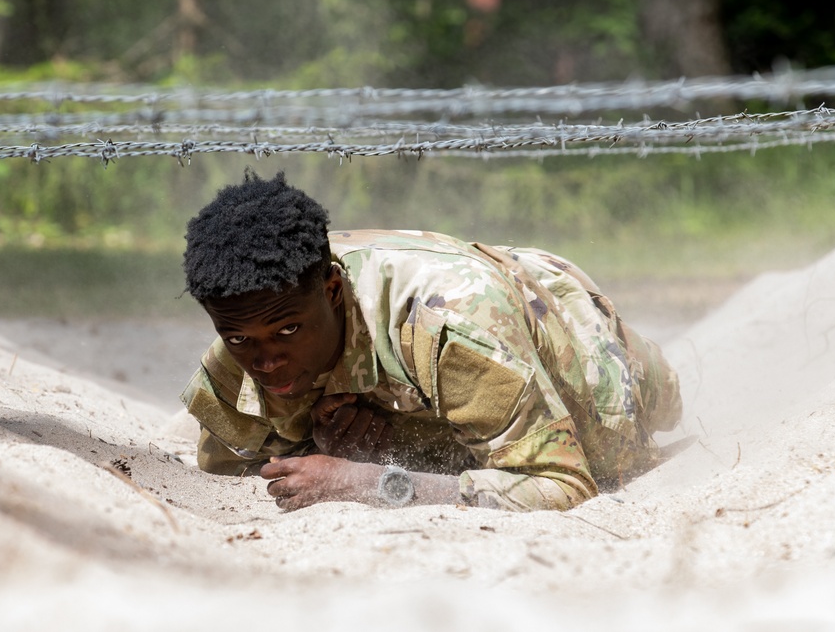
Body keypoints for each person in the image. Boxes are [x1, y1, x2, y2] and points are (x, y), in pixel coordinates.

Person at [180, 170, 682, 512]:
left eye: (288, 331)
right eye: (239, 337)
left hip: (574, 340)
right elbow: (232, 475)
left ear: (332, 291)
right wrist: (322, 443)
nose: (266, 362)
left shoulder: (450, 330)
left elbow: (563, 485)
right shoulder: (243, 335)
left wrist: (362, 481)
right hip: (451, 356)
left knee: (631, 430)